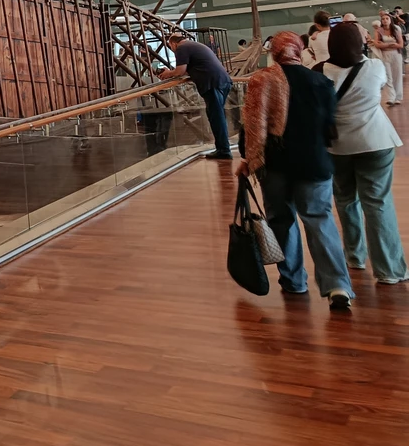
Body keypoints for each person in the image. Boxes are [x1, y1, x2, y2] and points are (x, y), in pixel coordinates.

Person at [237, 32, 353, 309]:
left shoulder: (261, 80)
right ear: (299, 50)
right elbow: (329, 126)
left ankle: (293, 281)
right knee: (320, 221)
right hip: (314, 163)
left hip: (275, 166)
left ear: (274, 52)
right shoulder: (321, 81)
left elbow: (252, 125)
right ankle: (337, 286)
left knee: (281, 221)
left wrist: (249, 159)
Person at [323, 22, 408, 285]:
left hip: (337, 147)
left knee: (345, 199)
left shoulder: (320, 71)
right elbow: (380, 85)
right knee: (377, 203)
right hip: (375, 141)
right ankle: (389, 270)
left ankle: (355, 257)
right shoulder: (374, 67)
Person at [158, 33, 233, 160]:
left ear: (173, 44)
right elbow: (189, 69)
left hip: (212, 84)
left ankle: (224, 150)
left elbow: (180, 71)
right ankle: (223, 148)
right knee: (217, 116)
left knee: (216, 118)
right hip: (222, 81)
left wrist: (168, 73)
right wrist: (171, 72)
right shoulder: (194, 45)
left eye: (170, 47)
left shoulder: (181, 48)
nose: (172, 50)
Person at [373, 11, 404, 105]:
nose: (385, 20)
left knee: (397, 76)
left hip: (396, 55)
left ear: (390, 20)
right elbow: (377, 44)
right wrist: (391, 44)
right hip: (385, 55)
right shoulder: (379, 30)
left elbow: (400, 44)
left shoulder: (396, 29)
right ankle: (391, 97)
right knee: (388, 76)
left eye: (387, 18)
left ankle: (398, 97)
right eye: (383, 19)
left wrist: (385, 44)